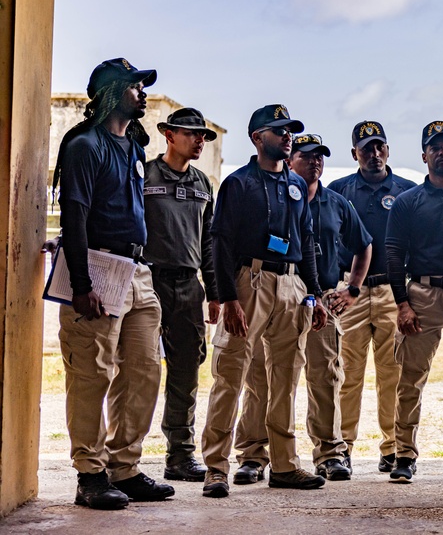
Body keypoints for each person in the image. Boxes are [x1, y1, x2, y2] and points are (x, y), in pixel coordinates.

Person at [52, 57, 174, 509]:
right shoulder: (85, 144)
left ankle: (125, 467)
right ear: (111, 92)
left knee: (143, 370)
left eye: (143, 86)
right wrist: (82, 284)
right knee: (91, 374)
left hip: (137, 272)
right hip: (97, 270)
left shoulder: (133, 147)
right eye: (135, 86)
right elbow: (75, 214)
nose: (142, 93)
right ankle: (91, 474)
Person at [200, 104, 329, 498]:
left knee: (286, 378)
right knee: (231, 374)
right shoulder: (238, 184)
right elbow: (219, 242)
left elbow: (306, 241)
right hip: (249, 282)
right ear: (258, 138)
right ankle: (216, 468)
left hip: (291, 286)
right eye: (279, 131)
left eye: (289, 130)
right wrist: (228, 297)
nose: (287, 136)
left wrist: (315, 293)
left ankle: (286, 465)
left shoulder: (293, 186)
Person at [231, 133, 373, 484]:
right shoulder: (276, 196)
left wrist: (352, 289)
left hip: (321, 297)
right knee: (262, 378)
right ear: (291, 160)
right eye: (307, 156)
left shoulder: (337, 203)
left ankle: (330, 453)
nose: (315, 163)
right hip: (275, 292)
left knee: (325, 376)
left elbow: (364, 244)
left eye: (320, 157)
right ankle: (253, 454)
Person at [384, 121, 443, 483]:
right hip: (420, 295)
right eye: (434, 147)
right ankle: (403, 454)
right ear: (424, 156)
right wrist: (402, 304)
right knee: (410, 379)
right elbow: (393, 254)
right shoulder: (408, 202)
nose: (442, 152)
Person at [329, 121, 417, 473]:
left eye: (379, 146)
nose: (374, 153)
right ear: (355, 154)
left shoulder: (407, 192)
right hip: (350, 292)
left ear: (389, 150)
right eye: (366, 148)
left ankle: (393, 448)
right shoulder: (338, 192)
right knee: (347, 374)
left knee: (392, 375)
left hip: (391, 292)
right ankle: (342, 447)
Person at [144, 108, 221, 483]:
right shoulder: (143, 174)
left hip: (189, 287)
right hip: (148, 280)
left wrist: (215, 293)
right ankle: (122, 455)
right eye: (191, 134)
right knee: (137, 370)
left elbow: (209, 241)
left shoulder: (203, 183)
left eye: (203, 136)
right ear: (168, 134)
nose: (199, 141)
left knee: (187, 370)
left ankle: (180, 456)